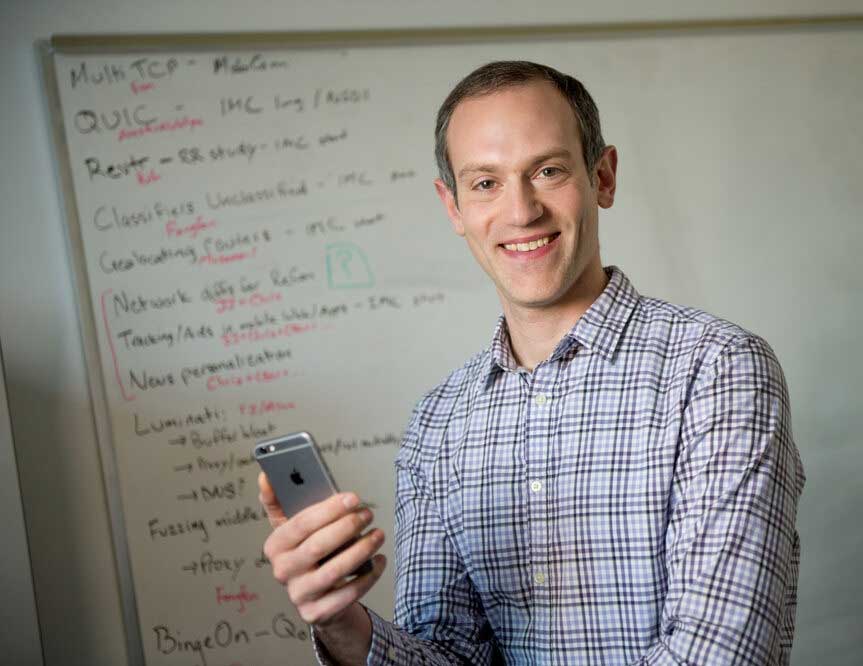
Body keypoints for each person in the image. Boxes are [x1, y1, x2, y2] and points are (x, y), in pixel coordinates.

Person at [259, 60, 805, 665]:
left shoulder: (718, 370)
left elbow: (720, 656)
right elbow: (448, 657)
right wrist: (342, 624)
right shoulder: (436, 427)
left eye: (547, 171)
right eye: (485, 183)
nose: (521, 212)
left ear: (603, 176)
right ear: (453, 207)